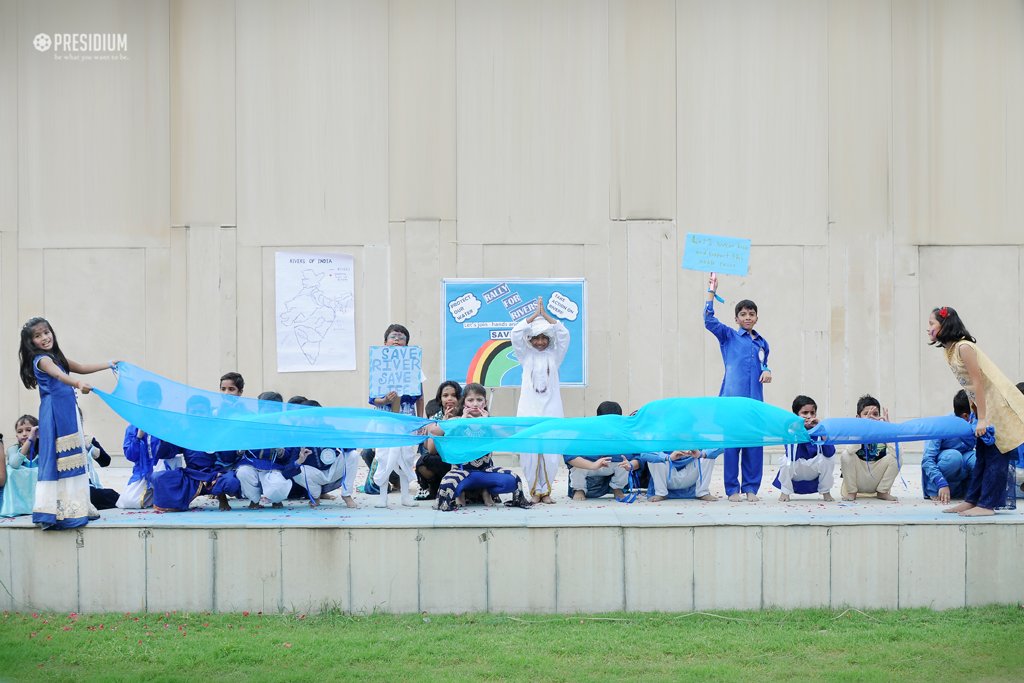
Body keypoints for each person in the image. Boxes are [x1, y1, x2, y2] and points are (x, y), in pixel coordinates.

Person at [18, 317, 115, 529]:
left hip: (66, 410)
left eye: (46, 332)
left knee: (76, 455)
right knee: (62, 459)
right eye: (38, 336)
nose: (44, 338)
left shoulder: (56, 357)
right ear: (31, 342)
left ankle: (79, 504)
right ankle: (62, 510)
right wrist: (78, 383)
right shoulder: (42, 360)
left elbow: (80, 366)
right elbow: (59, 376)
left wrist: (109, 364)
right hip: (55, 413)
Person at [928, 307, 1024, 516]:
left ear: (944, 325)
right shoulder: (950, 350)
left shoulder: (964, 347)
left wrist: (982, 419)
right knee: (982, 454)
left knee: (996, 455)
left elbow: (977, 382)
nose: (929, 329)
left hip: (997, 406)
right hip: (983, 406)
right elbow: (969, 388)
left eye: (931, 324)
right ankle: (972, 500)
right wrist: (976, 412)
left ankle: (988, 504)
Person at [704, 273, 771, 502]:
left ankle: (751, 488)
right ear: (736, 318)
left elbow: (764, 363)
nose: (748, 317)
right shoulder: (729, 336)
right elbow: (708, 321)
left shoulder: (762, 342)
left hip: (755, 402)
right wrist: (711, 293)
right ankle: (732, 489)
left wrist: (767, 370)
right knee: (732, 446)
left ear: (757, 317)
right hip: (732, 400)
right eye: (743, 314)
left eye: (751, 314)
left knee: (754, 444)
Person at [430, 383, 530, 511]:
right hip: (462, 472)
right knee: (446, 485)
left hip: (486, 472)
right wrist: (461, 422)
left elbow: (507, 437)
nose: (475, 404)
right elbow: (435, 432)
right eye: (470, 400)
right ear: (464, 403)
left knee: (513, 480)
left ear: (485, 402)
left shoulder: (490, 422)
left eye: (479, 400)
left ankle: (485, 491)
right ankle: (462, 493)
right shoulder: (456, 420)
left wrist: (487, 423)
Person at [512, 296, 570, 504]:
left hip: (551, 409)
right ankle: (534, 491)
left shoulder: (555, 356)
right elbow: (516, 334)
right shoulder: (525, 356)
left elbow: (564, 334)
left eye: (544, 338)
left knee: (550, 451)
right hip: (529, 409)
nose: (540, 342)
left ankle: (546, 492)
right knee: (529, 451)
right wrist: (534, 316)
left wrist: (546, 316)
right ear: (530, 340)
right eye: (536, 338)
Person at [370, 323, 425, 508]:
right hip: (385, 418)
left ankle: (405, 496)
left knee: (406, 456)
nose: (397, 340)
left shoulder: (413, 367)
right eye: (393, 336)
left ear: (407, 345)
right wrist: (385, 399)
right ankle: (382, 497)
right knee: (385, 455)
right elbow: (373, 398)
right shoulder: (378, 366)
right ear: (385, 342)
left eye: (401, 338)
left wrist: (420, 420)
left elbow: (420, 397)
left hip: (406, 416)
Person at [117, 381, 180, 509]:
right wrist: (139, 436)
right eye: (144, 402)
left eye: (152, 402)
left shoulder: (168, 423)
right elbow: (130, 456)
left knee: (166, 497)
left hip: (165, 469)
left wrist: (163, 436)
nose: (148, 406)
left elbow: (175, 451)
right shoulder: (133, 426)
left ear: (159, 401)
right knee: (129, 502)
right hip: (143, 472)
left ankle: (162, 494)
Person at [565, 402, 640, 502]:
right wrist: (593, 465)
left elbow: (638, 457)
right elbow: (569, 455)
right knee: (577, 467)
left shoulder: (624, 434)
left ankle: (617, 488)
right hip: (589, 466)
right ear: (598, 419)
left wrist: (630, 465)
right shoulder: (586, 432)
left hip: (610, 466)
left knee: (624, 465)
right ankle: (579, 489)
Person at [289, 399, 357, 508]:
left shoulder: (329, 429)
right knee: (297, 470)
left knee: (353, 455)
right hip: (314, 474)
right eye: (309, 416)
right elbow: (290, 466)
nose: (313, 419)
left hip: (332, 470)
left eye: (316, 416)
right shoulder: (298, 434)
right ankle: (315, 496)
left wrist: (337, 441)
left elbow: (351, 445)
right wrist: (300, 459)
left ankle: (346, 495)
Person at [235, 392, 297, 508]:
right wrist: (241, 449)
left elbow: (288, 454)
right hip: (250, 463)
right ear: (260, 409)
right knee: (243, 472)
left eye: (273, 409)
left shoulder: (283, 429)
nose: (269, 412)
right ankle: (254, 500)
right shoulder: (250, 426)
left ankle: (276, 500)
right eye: (265, 408)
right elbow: (237, 449)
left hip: (272, 466)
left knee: (277, 485)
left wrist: (280, 451)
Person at [774, 395, 836, 502]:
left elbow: (830, 453)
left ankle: (826, 492)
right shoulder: (790, 431)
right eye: (804, 413)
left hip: (813, 469)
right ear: (796, 415)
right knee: (785, 461)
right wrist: (799, 430)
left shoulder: (820, 429)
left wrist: (821, 430)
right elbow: (792, 457)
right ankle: (785, 492)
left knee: (828, 460)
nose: (809, 416)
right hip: (797, 470)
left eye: (812, 413)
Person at [839, 394, 900, 502]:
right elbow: (850, 450)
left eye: (875, 414)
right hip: (859, 477)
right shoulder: (855, 431)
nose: (871, 417)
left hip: (876, 477)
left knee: (897, 458)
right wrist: (863, 428)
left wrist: (889, 429)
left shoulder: (883, 431)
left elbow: (898, 454)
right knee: (845, 455)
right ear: (858, 417)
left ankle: (883, 492)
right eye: (866, 414)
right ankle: (851, 492)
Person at [920, 389, 976, 503]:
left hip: (961, 473)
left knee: (977, 458)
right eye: (975, 411)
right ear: (966, 415)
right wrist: (940, 482)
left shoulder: (975, 424)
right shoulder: (940, 426)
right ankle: (935, 490)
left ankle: (970, 490)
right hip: (940, 481)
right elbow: (927, 460)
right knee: (954, 457)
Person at [416, 380, 461, 500]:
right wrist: (444, 424)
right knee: (423, 461)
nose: (449, 399)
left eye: (454, 395)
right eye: (445, 395)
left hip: (462, 459)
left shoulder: (465, 416)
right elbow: (431, 450)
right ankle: (435, 487)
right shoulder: (435, 418)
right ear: (440, 399)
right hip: (443, 460)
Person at [646, 449, 722, 502]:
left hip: (691, 475)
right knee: (655, 458)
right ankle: (661, 493)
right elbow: (644, 453)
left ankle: (702, 492)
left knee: (708, 456)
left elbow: (721, 446)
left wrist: (701, 454)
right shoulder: (661, 436)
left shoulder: (697, 436)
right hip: (668, 475)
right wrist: (668, 457)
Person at [1, 415, 40, 517]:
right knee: (10, 469)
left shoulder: (43, 449)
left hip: (38, 497)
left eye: (28, 430)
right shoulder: (12, 449)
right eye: (20, 431)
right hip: (19, 498)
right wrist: (29, 441)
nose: (24, 434)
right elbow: (14, 464)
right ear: (16, 436)